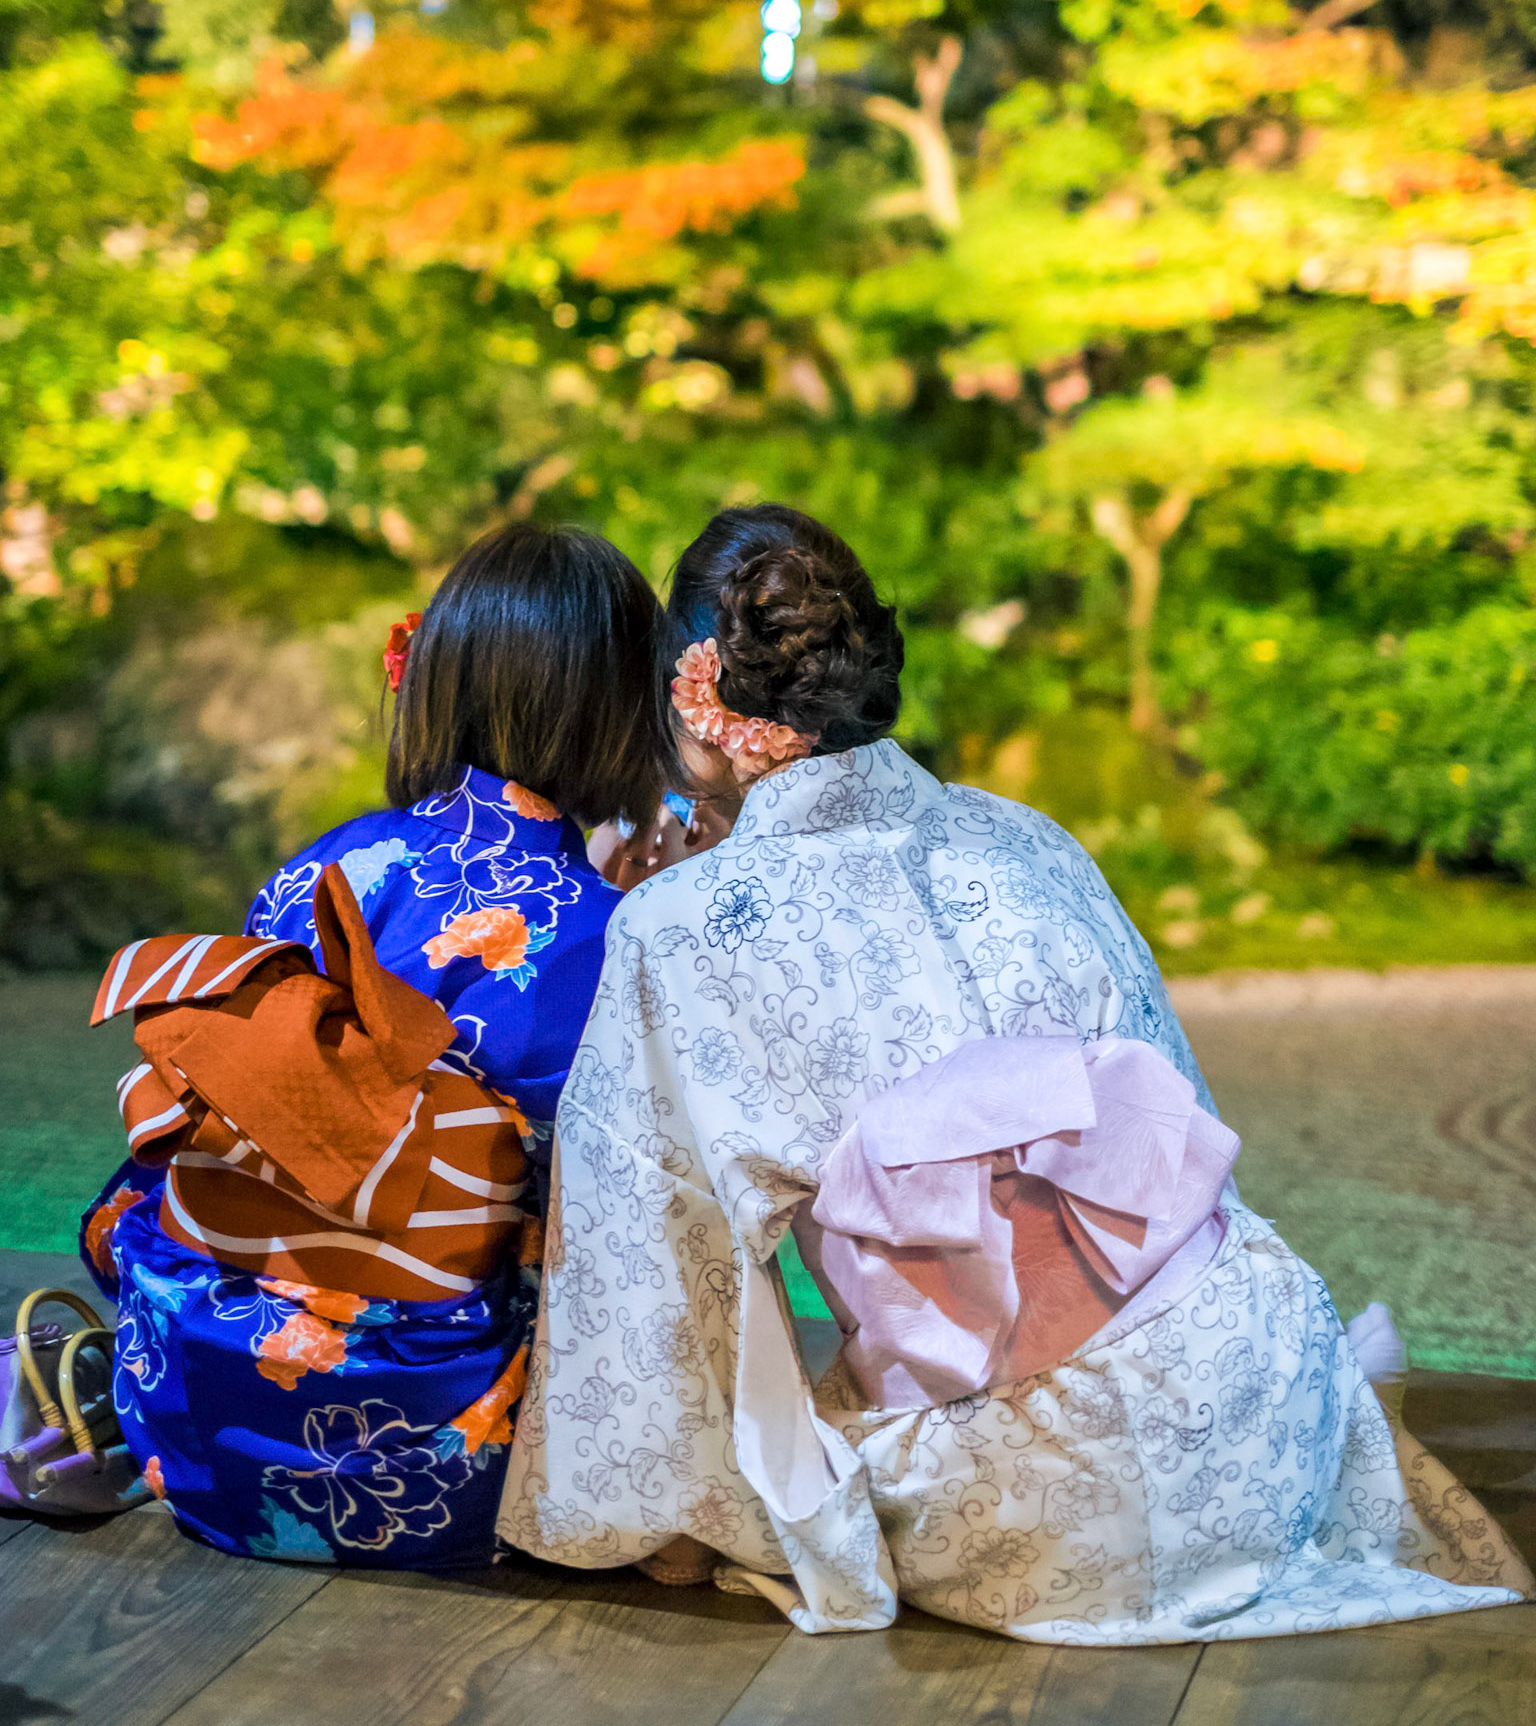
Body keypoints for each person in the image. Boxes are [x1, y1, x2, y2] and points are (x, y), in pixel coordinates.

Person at [500, 503, 1531, 1640]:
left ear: (699, 705)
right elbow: (1182, 1129)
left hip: (1033, 1485)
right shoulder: (1031, 836)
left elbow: (652, 1248)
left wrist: (667, 1513)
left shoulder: (678, 922)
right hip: (1258, 1372)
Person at [80, 522, 665, 1567]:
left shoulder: (325, 867)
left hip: (188, 1409)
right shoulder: (605, 933)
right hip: (424, 1455)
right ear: (623, 709)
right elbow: (585, 1238)